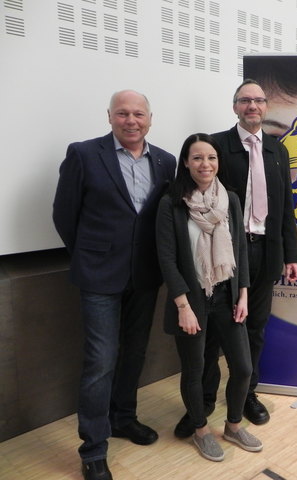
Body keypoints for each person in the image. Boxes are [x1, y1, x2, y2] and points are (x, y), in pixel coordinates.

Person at [52, 90, 176, 480]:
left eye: (138, 114)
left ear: (150, 119)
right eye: (122, 113)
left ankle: (123, 417)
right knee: (100, 361)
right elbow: (64, 214)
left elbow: (160, 220)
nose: (131, 120)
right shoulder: (85, 154)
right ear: (109, 117)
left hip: (145, 275)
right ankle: (93, 448)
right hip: (98, 276)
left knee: (135, 353)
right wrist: (89, 255)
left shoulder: (165, 161)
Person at [156, 133, 262, 461]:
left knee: (243, 368)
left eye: (211, 158)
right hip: (193, 298)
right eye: (198, 158)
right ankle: (201, 430)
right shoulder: (171, 203)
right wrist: (183, 306)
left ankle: (232, 425)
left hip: (227, 293)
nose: (206, 164)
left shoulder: (228, 198)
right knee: (195, 368)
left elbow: (240, 249)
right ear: (186, 162)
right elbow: (167, 259)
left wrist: (243, 293)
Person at [210, 79, 297, 426]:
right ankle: (205, 398)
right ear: (235, 107)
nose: (252, 106)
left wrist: (291, 254)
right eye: (245, 100)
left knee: (256, 327)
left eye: (259, 101)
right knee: (216, 330)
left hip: (266, 251)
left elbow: (287, 208)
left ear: (266, 108)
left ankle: (248, 394)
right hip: (227, 254)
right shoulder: (217, 145)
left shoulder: (278, 150)